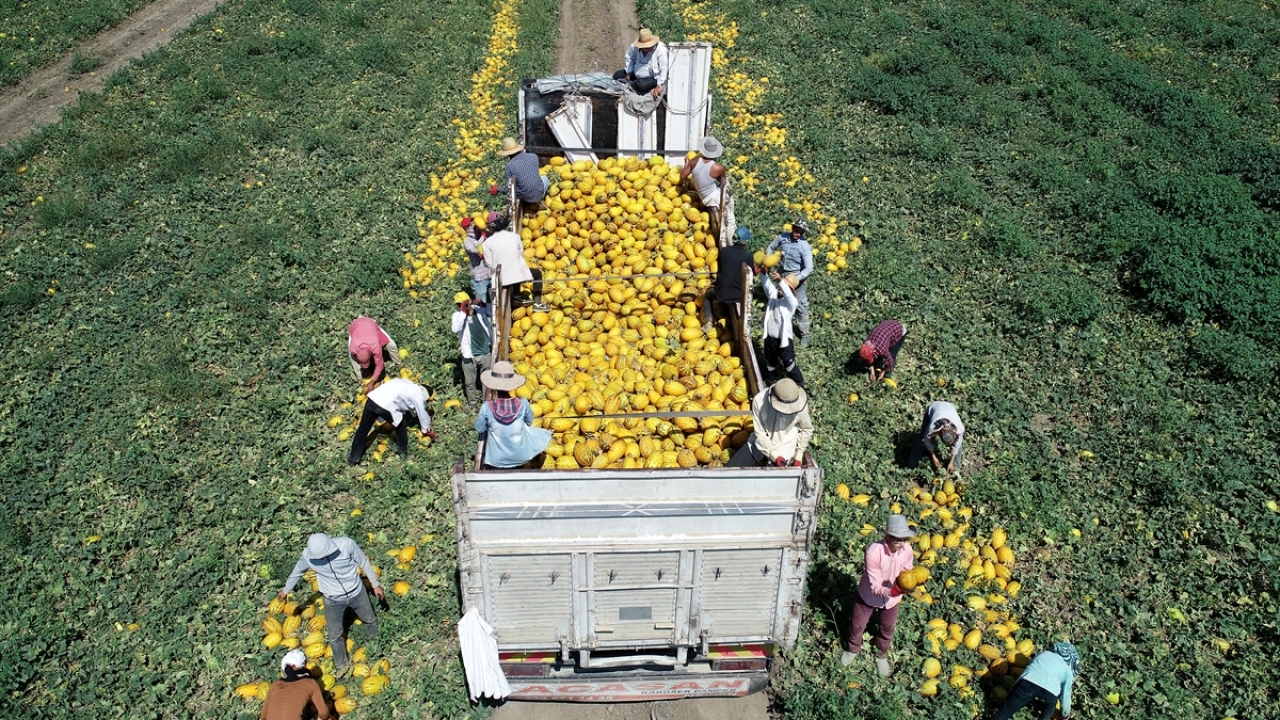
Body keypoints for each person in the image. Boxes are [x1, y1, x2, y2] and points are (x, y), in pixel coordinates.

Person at [277, 533, 385, 674]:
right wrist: (285, 591)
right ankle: (342, 666)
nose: (321, 559)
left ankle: (376, 648)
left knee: (370, 620)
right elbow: (297, 572)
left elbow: (363, 562)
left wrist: (375, 584)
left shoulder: (347, 545)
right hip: (332, 599)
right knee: (335, 635)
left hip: (356, 592)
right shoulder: (308, 557)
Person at [842, 514, 916, 677]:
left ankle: (880, 654)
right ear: (887, 536)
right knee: (857, 623)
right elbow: (875, 585)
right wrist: (894, 590)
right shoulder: (874, 553)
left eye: (904, 539)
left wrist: (911, 582)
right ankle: (853, 648)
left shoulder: (907, 550)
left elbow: (907, 572)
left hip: (892, 599)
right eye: (897, 539)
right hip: (868, 595)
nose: (901, 543)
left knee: (887, 627)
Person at [475, 361, 552, 468]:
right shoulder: (523, 403)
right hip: (520, 456)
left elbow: (480, 428)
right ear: (512, 385)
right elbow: (529, 422)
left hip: (497, 459)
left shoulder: (487, 407)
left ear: (493, 386)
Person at [347, 378, 435, 465]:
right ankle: (402, 453)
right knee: (401, 427)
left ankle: (353, 458)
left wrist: (413, 415)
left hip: (372, 400)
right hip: (385, 407)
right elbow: (423, 415)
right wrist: (426, 430)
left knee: (362, 430)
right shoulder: (418, 395)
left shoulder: (407, 384)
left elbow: (408, 404)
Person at [727, 379, 813, 467]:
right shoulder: (759, 401)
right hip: (759, 442)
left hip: (784, 445)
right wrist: (773, 454)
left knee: (769, 479)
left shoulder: (799, 404)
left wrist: (799, 453)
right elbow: (760, 433)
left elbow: (806, 429)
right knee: (730, 471)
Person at [990, 642, 1080, 720]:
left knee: (1001, 715)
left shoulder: (1043, 654)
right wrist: (1065, 715)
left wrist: (1013, 691)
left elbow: (1029, 668)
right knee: (1050, 705)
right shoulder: (1068, 670)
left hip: (1026, 683)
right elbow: (1066, 695)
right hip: (1050, 692)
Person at [766, 219, 815, 346]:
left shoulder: (804, 246)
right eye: (796, 231)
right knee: (780, 301)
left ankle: (805, 334)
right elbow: (771, 247)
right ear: (792, 228)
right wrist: (768, 261)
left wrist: (797, 279)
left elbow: (809, 268)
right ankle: (779, 327)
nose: (798, 234)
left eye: (801, 232)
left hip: (796, 279)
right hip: (782, 275)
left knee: (800, 306)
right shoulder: (783, 238)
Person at [483, 212, 545, 310]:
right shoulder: (515, 237)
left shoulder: (486, 243)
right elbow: (520, 254)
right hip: (517, 274)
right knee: (536, 273)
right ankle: (537, 304)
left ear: (491, 227)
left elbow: (489, 264)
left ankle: (517, 297)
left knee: (512, 271)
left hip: (501, 279)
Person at [702, 226, 754, 330]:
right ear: (745, 242)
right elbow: (751, 274)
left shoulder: (724, 251)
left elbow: (721, 270)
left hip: (722, 293)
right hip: (739, 296)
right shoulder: (748, 256)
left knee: (707, 296)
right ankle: (723, 311)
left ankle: (708, 321)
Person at [761, 269, 804, 387]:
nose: (780, 289)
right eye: (779, 287)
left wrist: (781, 281)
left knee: (789, 365)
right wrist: (764, 274)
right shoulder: (773, 297)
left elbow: (789, 296)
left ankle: (800, 383)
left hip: (783, 341)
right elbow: (767, 285)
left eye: (783, 287)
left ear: (789, 290)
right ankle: (771, 381)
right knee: (770, 362)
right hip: (770, 339)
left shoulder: (791, 303)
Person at [260, 649, 331, 720]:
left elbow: (263, 716)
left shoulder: (275, 685)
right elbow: (324, 713)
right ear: (304, 666)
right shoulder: (310, 683)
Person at [452, 292, 493, 409]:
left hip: (485, 352)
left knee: (486, 380)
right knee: (470, 382)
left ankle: (487, 403)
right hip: (469, 355)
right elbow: (455, 329)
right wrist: (464, 313)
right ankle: (472, 403)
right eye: (460, 304)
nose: (463, 305)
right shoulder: (457, 316)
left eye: (465, 303)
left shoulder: (480, 311)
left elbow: (492, 312)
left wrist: (484, 303)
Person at [679, 136, 726, 226]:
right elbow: (724, 184)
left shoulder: (694, 162)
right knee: (724, 222)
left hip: (703, 198)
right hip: (715, 197)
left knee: (715, 221)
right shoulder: (719, 167)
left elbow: (682, 176)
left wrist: (687, 164)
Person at [347, 316, 400, 395]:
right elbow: (355, 363)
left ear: (370, 354)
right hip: (356, 326)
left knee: (392, 346)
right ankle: (359, 379)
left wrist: (372, 382)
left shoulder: (375, 346)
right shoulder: (352, 348)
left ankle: (398, 362)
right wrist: (361, 380)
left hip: (370, 324)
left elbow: (380, 365)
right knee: (354, 363)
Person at [908, 401, 965, 472]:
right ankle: (912, 465)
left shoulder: (959, 428)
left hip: (949, 407)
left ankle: (955, 467)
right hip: (934, 408)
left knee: (959, 446)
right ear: (940, 435)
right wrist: (933, 456)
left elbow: (957, 444)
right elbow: (927, 441)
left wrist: (951, 461)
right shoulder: (932, 428)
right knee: (922, 440)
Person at [612, 28, 669, 97]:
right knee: (617, 75)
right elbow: (629, 57)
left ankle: (628, 84)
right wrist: (629, 71)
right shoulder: (635, 47)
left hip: (652, 78)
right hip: (636, 75)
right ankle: (630, 83)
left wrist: (660, 85)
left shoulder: (661, 50)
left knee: (642, 85)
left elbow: (664, 68)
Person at [497, 137, 549, 205]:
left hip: (524, 198)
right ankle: (540, 197)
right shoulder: (534, 156)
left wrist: (498, 189)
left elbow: (508, 189)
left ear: (507, 154)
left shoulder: (509, 166)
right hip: (539, 194)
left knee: (517, 185)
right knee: (545, 178)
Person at [461, 216, 492, 302]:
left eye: (474, 222)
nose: (474, 225)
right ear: (466, 229)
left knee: (494, 300)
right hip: (480, 277)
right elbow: (477, 250)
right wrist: (483, 236)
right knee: (482, 300)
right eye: (470, 224)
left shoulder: (486, 234)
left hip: (491, 273)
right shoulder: (467, 242)